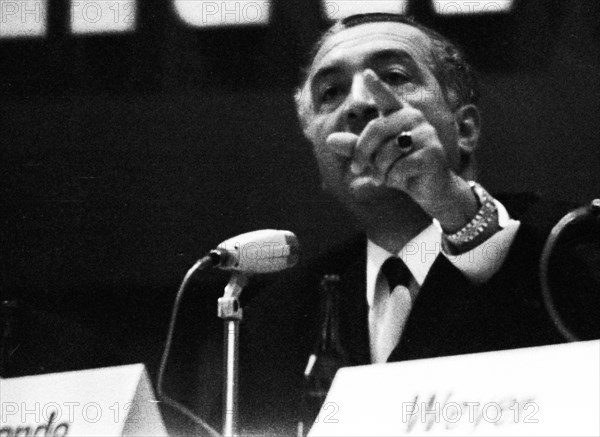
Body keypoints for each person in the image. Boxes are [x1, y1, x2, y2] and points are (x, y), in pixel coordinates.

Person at [234, 13, 571, 434]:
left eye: (393, 76)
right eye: (331, 92)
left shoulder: (566, 246)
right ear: (317, 152)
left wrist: (451, 204)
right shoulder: (277, 319)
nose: (358, 104)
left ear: (464, 129)